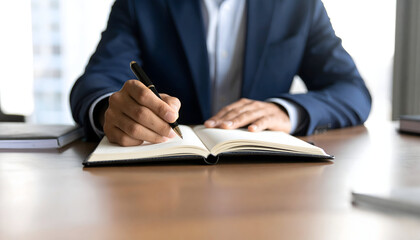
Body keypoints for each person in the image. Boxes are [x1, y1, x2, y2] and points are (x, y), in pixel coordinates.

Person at [70, 0, 371, 146]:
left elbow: (351, 89)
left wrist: (286, 111)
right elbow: (96, 81)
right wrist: (111, 110)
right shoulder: (141, 4)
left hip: (270, 180)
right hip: (164, 175)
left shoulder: (299, 5)